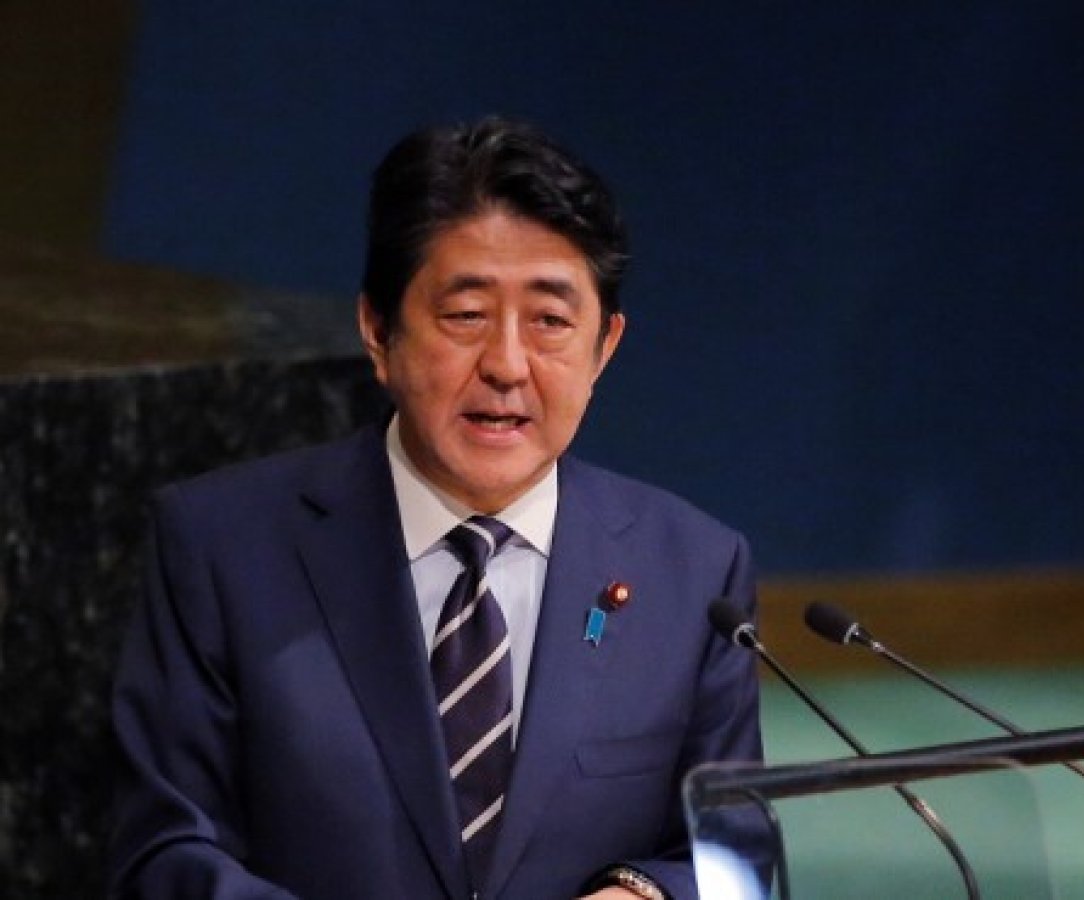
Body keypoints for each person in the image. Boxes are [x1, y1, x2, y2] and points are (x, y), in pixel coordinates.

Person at [107, 115, 764, 900]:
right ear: (378, 330)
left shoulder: (695, 574)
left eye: (551, 322)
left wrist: (643, 894)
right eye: (466, 315)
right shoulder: (222, 547)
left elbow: (735, 859)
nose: (507, 365)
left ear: (605, 346)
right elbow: (163, 852)